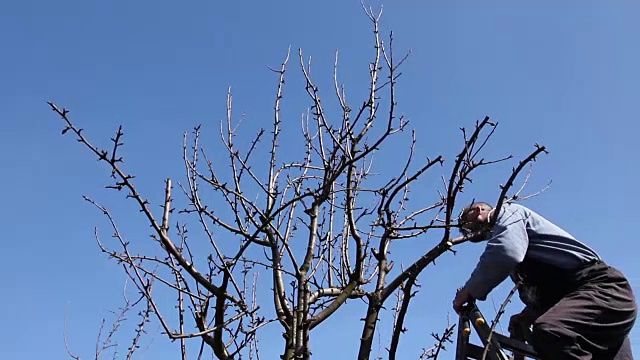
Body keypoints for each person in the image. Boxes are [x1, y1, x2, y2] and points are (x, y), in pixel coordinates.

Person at [452, 201, 637, 359]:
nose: (465, 231)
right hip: (596, 308)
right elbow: (554, 288)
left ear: (477, 211)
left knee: (551, 331)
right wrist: (530, 313)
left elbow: (505, 252)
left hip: (602, 290)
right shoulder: (520, 250)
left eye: (464, 224)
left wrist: (470, 290)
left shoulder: (507, 212)